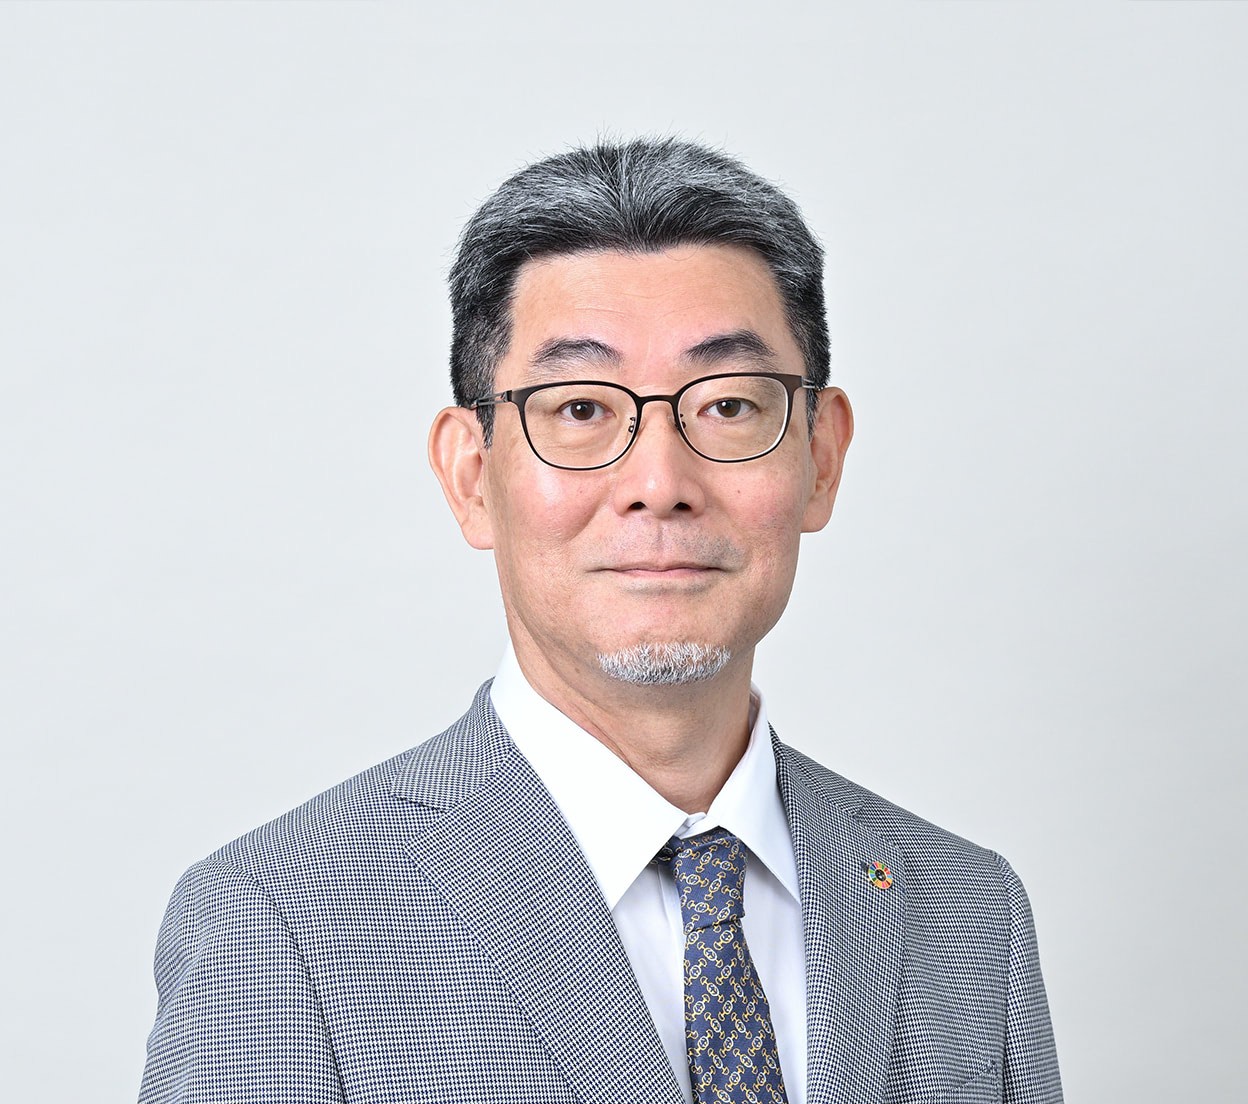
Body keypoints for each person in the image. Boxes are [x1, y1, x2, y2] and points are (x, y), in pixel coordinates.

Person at [139, 138, 1062, 1104]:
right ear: (471, 476)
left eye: (729, 406)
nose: (660, 483)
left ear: (821, 459)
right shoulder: (279, 923)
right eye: (580, 409)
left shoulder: (968, 911)